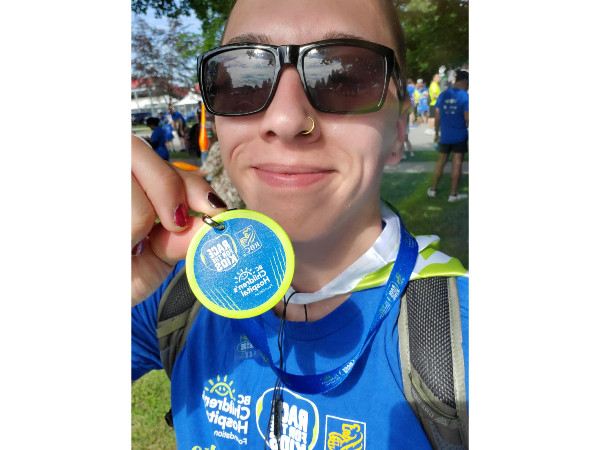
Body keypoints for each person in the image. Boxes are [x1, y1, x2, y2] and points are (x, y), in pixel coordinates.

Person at [131, 1, 468, 448]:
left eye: (344, 78)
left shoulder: (463, 336)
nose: (286, 120)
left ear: (399, 131)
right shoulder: (179, 292)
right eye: (244, 79)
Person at [427, 70, 469, 202]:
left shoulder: (443, 94)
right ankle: (453, 194)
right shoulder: (465, 96)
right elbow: (467, 118)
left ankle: (433, 189)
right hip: (460, 135)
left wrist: (436, 133)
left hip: (445, 136)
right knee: (457, 163)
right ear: (465, 82)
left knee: (440, 163)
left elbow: (437, 115)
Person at [196, 120, 245, 209]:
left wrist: (184, 173)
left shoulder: (220, 146)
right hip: (238, 196)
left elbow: (206, 171)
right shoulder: (242, 144)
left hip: (223, 198)